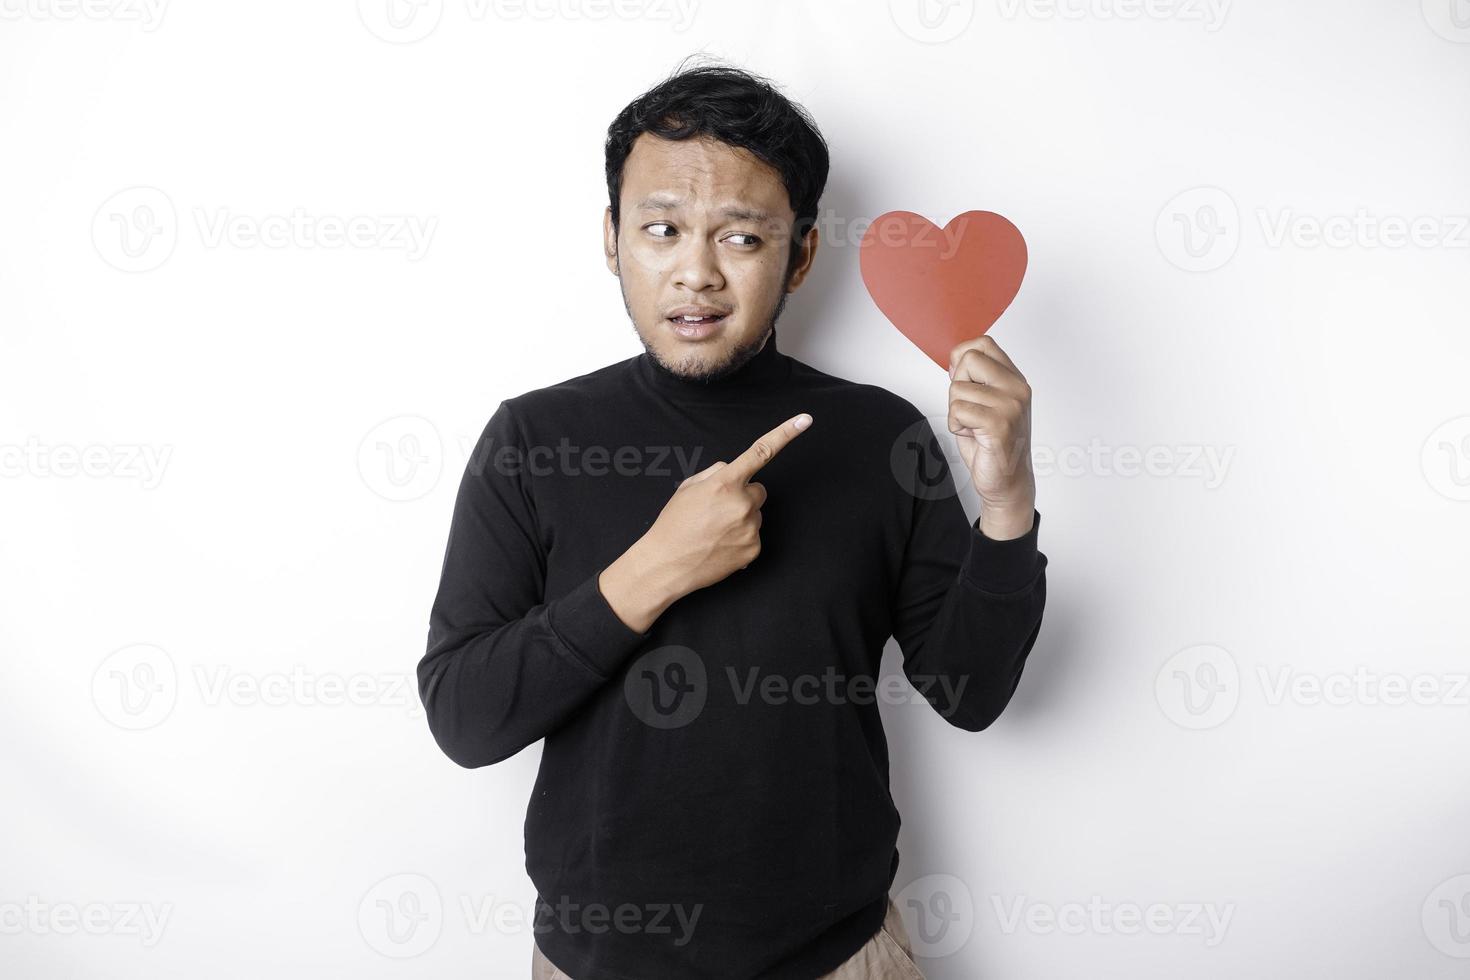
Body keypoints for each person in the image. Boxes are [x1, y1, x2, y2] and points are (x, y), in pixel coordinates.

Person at [418, 57, 1048, 980]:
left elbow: (971, 694)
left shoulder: (880, 436)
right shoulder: (535, 438)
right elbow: (465, 720)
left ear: (798, 254)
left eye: (742, 239)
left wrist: (1008, 503)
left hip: (840, 957)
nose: (696, 274)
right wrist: (657, 568)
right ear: (612, 239)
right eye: (662, 230)